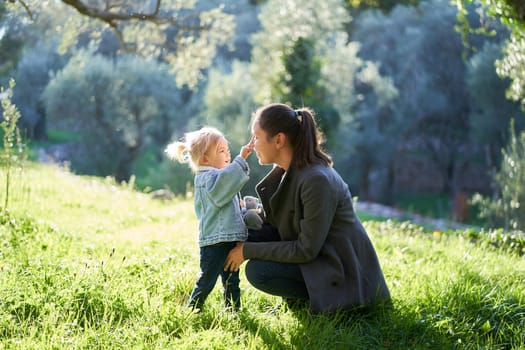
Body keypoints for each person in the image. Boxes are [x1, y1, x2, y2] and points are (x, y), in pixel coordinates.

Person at [224, 103, 390, 314]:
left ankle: (327, 305)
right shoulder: (289, 171)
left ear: (279, 140)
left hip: (342, 273)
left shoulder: (316, 180)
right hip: (319, 258)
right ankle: (237, 304)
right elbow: (275, 225)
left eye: (256, 137)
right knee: (243, 235)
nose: (252, 144)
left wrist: (247, 251)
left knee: (259, 271)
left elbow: (305, 249)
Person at [166, 126, 254, 311]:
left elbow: (227, 190)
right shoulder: (207, 178)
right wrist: (242, 158)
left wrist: (241, 208)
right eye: (221, 151)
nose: (227, 154)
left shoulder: (218, 177)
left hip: (228, 239)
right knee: (207, 279)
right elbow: (224, 185)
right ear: (205, 159)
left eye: (227, 150)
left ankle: (233, 311)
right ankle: (193, 309)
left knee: (232, 280)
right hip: (214, 243)